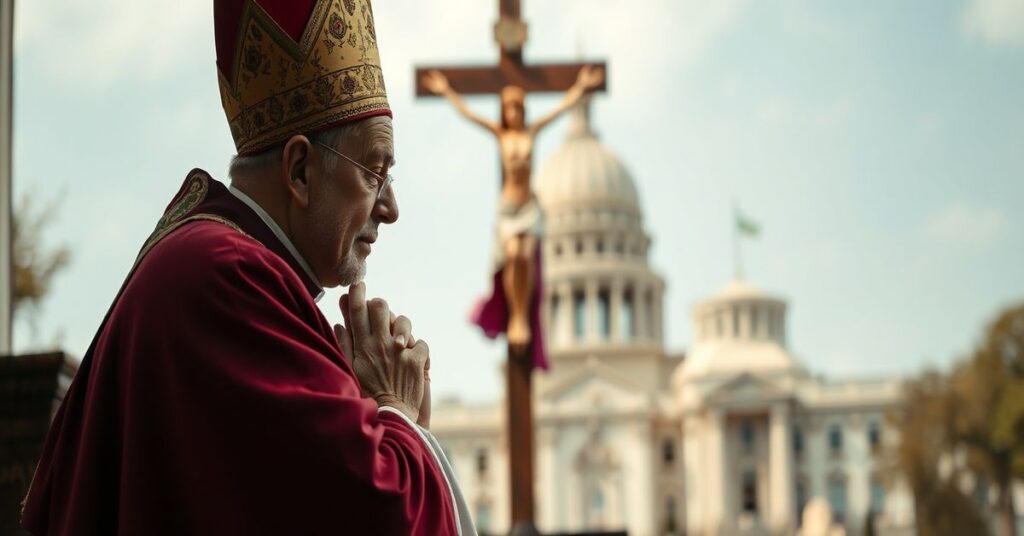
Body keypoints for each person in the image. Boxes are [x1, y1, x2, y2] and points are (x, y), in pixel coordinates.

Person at [20, 1, 474, 534]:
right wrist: (392, 407)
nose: (391, 207)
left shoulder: (217, 262)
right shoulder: (228, 279)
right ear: (300, 170)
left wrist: (358, 408)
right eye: (375, 172)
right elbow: (383, 513)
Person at [423, 66, 603, 358]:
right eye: (508, 108)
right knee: (512, 256)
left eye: (517, 107)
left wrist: (580, 87)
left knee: (524, 256)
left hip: (529, 208)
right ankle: (517, 317)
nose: (513, 112)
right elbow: (470, 115)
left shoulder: (531, 132)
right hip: (508, 208)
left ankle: (521, 314)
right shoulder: (501, 135)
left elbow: (560, 108)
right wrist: (446, 91)